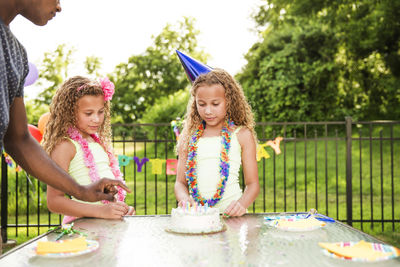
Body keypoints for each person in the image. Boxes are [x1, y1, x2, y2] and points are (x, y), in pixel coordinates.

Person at [0, 0, 129, 204]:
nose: (59, 7)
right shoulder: (66, 146)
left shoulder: (17, 55)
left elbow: (19, 139)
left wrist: (81, 191)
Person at [42, 76, 135, 223]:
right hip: (83, 227)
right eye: (88, 113)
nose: (97, 119)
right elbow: (54, 201)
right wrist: (101, 211)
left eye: (100, 112)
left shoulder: (98, 143)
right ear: (70, 112)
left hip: (106, 226)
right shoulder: (65, 146)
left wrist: (120, 208)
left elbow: (104, 197)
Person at [174, 69, 260, 217]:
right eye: (201, 104)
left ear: (229, 101)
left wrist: (241, 205)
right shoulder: (188, 137)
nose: (208, 111)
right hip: (198, 217)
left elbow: (253, 184)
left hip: (232, 217)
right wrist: (184, 199)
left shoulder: (242, 135)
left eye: (215, 104)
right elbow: (180, 183)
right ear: (195, 103)